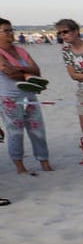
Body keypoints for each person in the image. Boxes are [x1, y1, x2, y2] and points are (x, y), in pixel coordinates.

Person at [0, 18, 51, 176]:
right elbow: (8, 72)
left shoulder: (20, 51)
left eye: (11, 29)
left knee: (38, 130)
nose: (11, 33)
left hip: (29, 95)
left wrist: (21, 69)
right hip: (9, 98)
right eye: (6, 30)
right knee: (15, 132)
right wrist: (26, 72)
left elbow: (37, 71)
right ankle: (20, 166)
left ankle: (44, 162)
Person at [57, 18, 83, 150]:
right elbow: (73, 75)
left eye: (65, 32)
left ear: (76, 31)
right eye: (60, 33)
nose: (63, 35)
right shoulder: (66, 51)